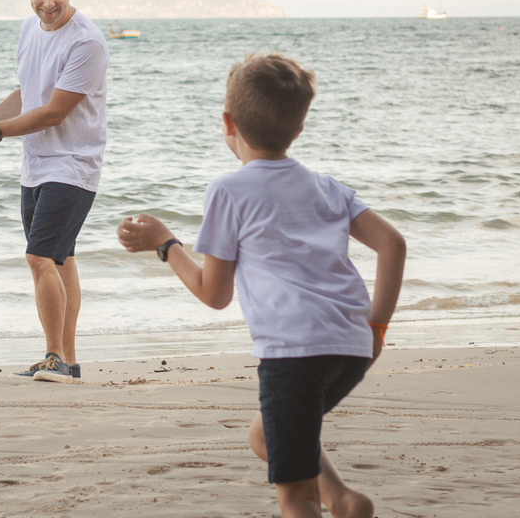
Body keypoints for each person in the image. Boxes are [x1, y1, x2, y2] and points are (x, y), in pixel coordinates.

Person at [116, 53, 406, 518]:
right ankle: (345, 500)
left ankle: (327, 501)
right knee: (265, 435)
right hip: (351, 346)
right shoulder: (329, 187)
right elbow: (393, 244)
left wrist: (165, 243)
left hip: (295, 355)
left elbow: (215, 294)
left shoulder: (230, 190)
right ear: (300, 126)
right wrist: (377, 328)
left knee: (295, 498)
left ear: (227, 122)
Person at [0, 0, 109, 384]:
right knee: (61, 261)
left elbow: (55, 112)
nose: (48, 2)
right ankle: (70, 362)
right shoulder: (28, 29)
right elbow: (27, 96)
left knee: (39, 255)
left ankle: (54, 356)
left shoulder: (87, 42)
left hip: (74, 165)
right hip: (36, 164)